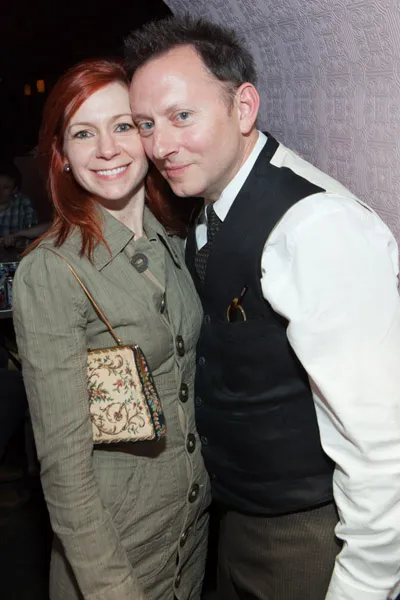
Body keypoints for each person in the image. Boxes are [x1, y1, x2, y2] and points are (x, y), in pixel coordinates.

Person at [125, 16, 400, 600]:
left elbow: (381, 445)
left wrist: (364, 584)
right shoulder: (212, 203)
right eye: (146, 124)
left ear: (244, 107)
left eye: (181, 116)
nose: (160, 145)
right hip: (239, 524)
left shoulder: (317, 228)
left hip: (309, 538)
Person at [12, 58, 209, 600]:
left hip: (190, 539)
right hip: (115, 557)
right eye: (83, 133)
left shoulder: (174, 240)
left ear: (147, 136)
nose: (106, 149)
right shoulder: (51, 271)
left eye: (122, 125)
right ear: (62, 154)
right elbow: (64, 469)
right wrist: (110, 587)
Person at [0, 161, 38, 244]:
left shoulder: (23, 203)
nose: (0, 191)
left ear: (15, 189)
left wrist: (16, 239)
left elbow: (32, 233)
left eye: (5, 187)